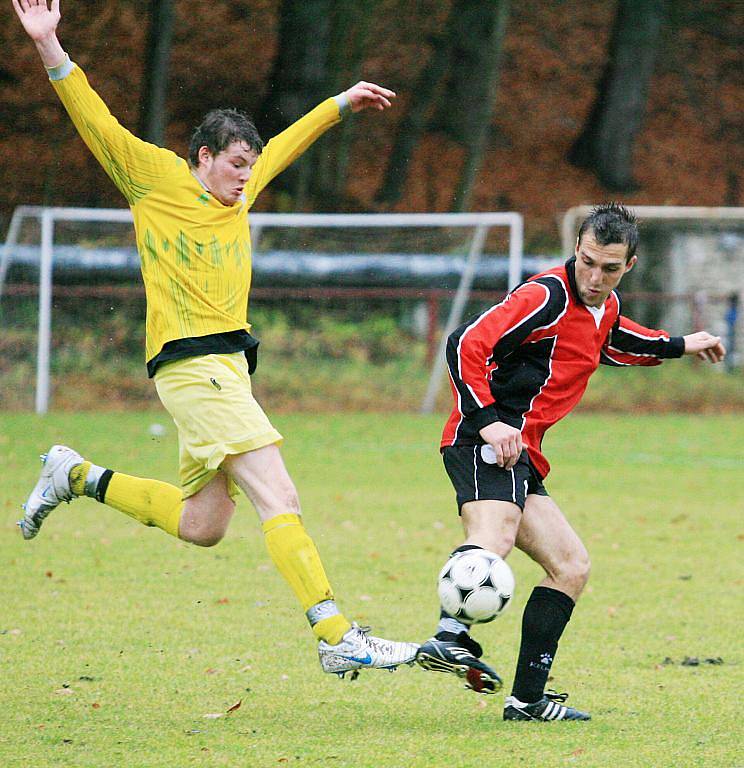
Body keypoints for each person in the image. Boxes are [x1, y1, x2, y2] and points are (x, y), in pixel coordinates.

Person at [14, 0, 418, 677]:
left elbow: (286, 145)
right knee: (278, 496)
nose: (245, 175)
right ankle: (336, 633)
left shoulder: (243, 188)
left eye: (250, 164)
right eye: (235, 163)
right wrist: (49, 45)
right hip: (190, 366)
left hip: (228, 368)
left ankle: (75, 475)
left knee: (204, 525)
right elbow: (95, 121)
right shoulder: (154, 177)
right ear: (203, 157)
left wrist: (340, 104)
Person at [416, 202, 726, 721]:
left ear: (628, 265)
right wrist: (489, 417)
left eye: (608, 268)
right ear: (576, 250)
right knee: (498, 531)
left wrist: (679, 345)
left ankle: (527, 701)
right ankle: (449, 636)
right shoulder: (546, 294)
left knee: (570, 566)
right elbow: (464, 343)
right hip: (483, 439)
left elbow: (614, 341)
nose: (594, 276)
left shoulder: (603, 305)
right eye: (587, 262)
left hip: (525, 454)